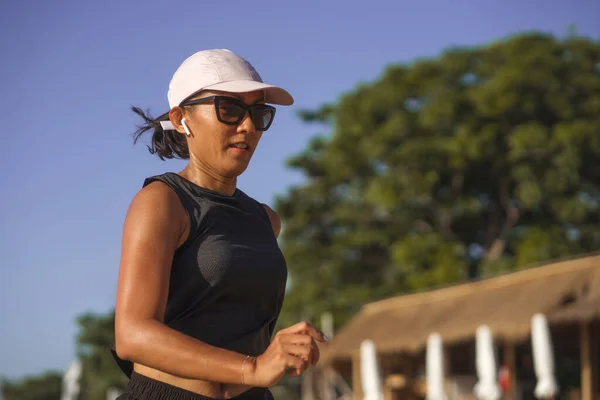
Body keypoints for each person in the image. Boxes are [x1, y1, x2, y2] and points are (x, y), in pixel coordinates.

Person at [112, 49, 328, 400]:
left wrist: (282, 355)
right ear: (182, 119)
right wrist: (252, 369)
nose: (247, 126)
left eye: (258, 113)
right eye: (228, 109)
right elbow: (132, 334)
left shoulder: (266, 219)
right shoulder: (163, 202)